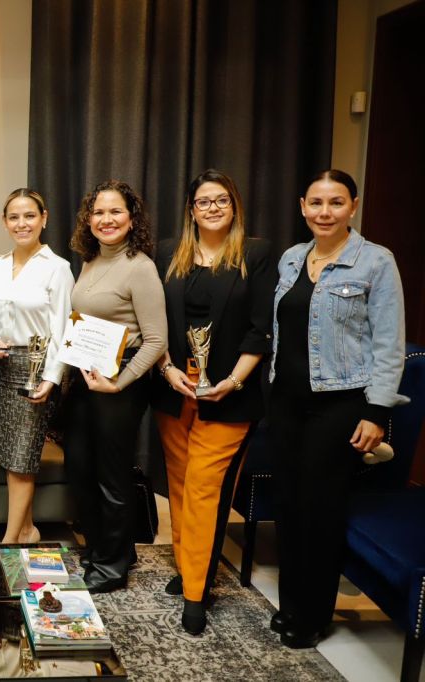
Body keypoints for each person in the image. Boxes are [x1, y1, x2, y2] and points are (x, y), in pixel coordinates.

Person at [269, 169, 405, 648]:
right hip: (285, 402)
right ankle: (291, 605)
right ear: (302, 207)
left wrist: (378, 412)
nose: (325, 212)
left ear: (353, 206)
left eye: (336, 202)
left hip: (341, 404)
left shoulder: (376, 261)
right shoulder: (291, 258)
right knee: (289, 507)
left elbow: (389, 344)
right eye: (316, 203)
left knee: (319, 511)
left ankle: (313, 615)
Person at [151, 170, 275, 635]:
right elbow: (154, 320)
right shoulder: (168, 253)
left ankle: (195, 593)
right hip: (175, 388)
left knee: (204, 488)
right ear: (191, 209)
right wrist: (167, 369)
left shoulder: (256, 254)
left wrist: (233, 381)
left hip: (229, 393)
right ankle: (189, 565)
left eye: (222, 200)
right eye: (204, 201)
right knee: (181, 485)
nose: (213, 208)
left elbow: (261, 328)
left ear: (234, 205)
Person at [61, 180, 167, 593]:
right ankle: (105, 546)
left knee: (111, 474)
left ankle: (112, 566)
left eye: (115, 211)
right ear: (88, 220)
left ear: (131, 218)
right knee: (80, 466)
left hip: (120, 379)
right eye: (98, 212)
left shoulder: (140, 266)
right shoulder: (90, 260)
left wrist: (119, 383)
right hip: (86, 374)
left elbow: (156, 340)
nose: (106, 219)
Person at [0, 188, 73, 544]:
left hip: (37, 371)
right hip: (1, 369)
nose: (22, 224)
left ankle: (7, 543)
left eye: (30, 216)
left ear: (44, 219)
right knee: (9, 456)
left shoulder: (58, 269)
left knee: (22, 458)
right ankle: (27, 529)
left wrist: (52, 378)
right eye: (14, 217)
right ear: (5, 222)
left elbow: (65, 330)